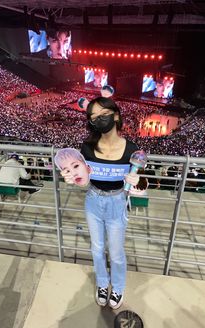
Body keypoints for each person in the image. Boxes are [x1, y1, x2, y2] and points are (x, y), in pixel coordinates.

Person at [60, 97, 143, 309]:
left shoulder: (131, 149)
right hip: (93, 200)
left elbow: (141, 182)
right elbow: (84, 181)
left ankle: (118, 287)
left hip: (117, 201)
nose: (98, 120)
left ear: (116, 115)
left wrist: (138, 181)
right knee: (97, 249)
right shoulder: (86, 148)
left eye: (103, 115)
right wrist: (73, 179)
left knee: (116, 252)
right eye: (93, 117)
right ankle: (103, 284)